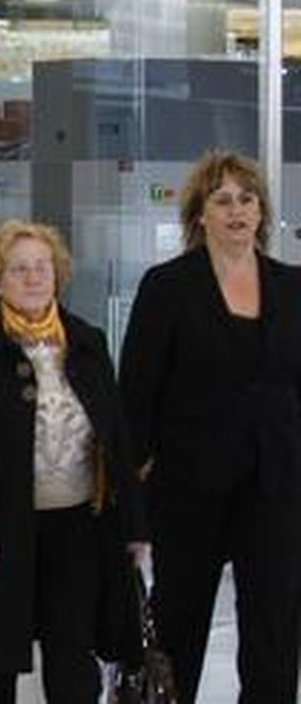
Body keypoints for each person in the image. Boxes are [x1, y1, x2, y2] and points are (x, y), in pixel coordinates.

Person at [0, 220, 148, 704]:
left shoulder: (88, 342)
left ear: (59, 274)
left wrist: (134, 526)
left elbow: (117, 437)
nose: (33, 278)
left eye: (42, 267)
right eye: (19, 269)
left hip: (78, 526)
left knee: (72, 655)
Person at [119, 150, 301, 702]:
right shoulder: (168, 287)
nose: (237, 210)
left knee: (274, 624)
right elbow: (138, 391)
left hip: (275, 483)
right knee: (178, 618)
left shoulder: (293, 286)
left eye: (247, 199)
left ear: (262, 212)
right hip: (188, 485)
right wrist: (132, 498)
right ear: (200, 215)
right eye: (222, 200)